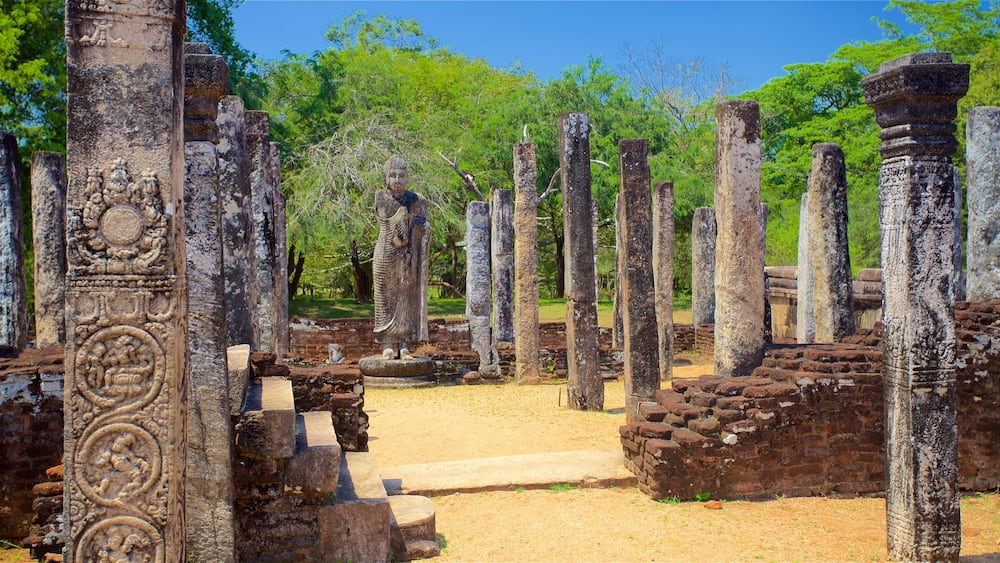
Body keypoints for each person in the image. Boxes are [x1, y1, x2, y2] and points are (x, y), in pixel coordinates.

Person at [373, 156, 429, 359]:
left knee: (406, 298)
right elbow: (389, 223)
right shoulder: (381, 197)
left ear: (407, 178)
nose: (397, 179)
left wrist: (420, 227)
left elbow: (423, 223)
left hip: (407, 255)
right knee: (385, 298)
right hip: (386, 252)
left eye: (401, 175)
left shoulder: (416, 199)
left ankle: (404, 343)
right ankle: (387, 343)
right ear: (385, 177)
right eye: (393, 175)